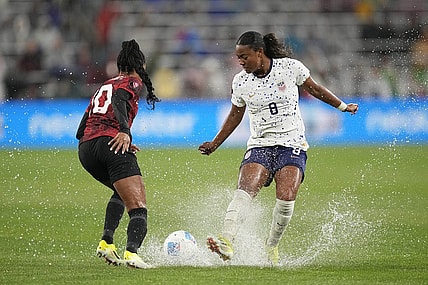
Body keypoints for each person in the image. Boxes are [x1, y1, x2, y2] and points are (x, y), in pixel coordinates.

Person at [198, 31, 358, 266]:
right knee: (245, 189)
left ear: (259, 52)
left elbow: (315, 89)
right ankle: (226, 240)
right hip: (260, 143)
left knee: (285, 198)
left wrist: (343, 106)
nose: (240, 62)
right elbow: (235, 115)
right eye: (238, 58)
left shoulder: (290, 68)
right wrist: (215, 143)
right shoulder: (240, 81)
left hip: (292, 143)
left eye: (244, 57)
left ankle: (271, 245)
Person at [76, 39, 160, 269]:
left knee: (120, 192)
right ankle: (132, 253)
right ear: (139, 64)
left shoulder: (106, 84)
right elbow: (119, 100)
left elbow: (81, 128)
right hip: (109, 143)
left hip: (85, 149)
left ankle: (106, 242)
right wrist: (123, 132)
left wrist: (108, 136)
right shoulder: (132, 82)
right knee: (138, 205)